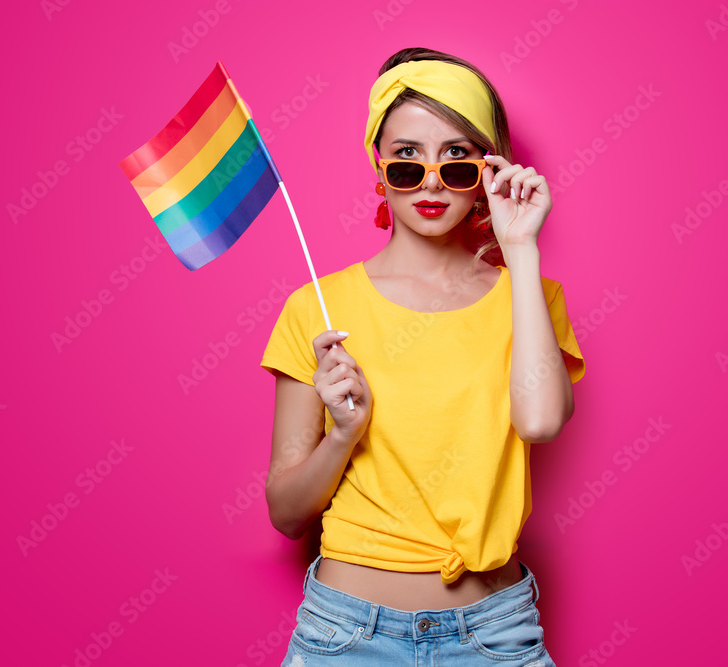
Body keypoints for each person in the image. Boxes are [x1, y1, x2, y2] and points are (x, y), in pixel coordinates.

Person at [259, 47, 586, 666]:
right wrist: (344, 436)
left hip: (494, 634)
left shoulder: (532, 297)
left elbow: (540, 422)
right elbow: (286, 514)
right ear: (378, 169)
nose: (432, 181)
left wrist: (520, 250)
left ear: (491, 170)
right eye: (407, 160)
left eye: (457, 159)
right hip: (348, 637)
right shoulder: (317, 307)